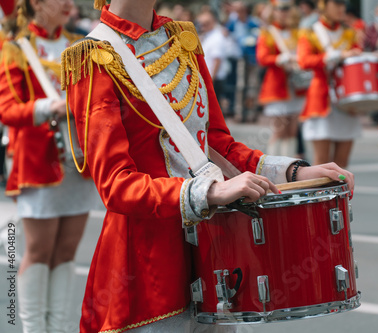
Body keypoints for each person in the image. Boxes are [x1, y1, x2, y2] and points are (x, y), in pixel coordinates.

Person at [62, 1, 354, 332]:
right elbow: (116, 186)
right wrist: (210, 191)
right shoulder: (93, 58)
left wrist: (295, 172)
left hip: (217, 253)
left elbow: (217, 145)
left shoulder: (181, 39)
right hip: (147, 269)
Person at [0, 0, 98, 332]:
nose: (69, 2)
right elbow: (8, 109)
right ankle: (32, 329)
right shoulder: (16, 47)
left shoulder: (79, 46)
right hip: (38, 160)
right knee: (39, 252)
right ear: (36, 3)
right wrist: (46, 108)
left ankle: (57, 328)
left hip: (78, 158)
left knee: (67, 251)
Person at [297, 0, 362, 167]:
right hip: (322, 98)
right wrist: (334, 56)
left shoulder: (349, 32)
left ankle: (340, 195)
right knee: (322, 163)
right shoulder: (311, 31)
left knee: (342, 164)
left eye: (343, 4)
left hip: (347, 98)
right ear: (323, 5)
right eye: (337, 4)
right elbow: (304, 60)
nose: (342, 8)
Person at [257, 0, 306, 158]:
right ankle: (274, 168)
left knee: (292, 130)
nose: (283, 13)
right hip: (278, 85)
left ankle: (290, 167)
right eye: (280, 9)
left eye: (287, 9)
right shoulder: (268, 33)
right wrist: (279, 59)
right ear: (274, 11)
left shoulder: (297, 32)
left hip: (295, 85)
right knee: (279, 130)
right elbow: (262, 57)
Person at [197, 10, 230, 106]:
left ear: (213, 22)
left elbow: (217, 60)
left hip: (213, 78)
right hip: (209, 78)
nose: (203, 26)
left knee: (212, 108)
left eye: (206, 23)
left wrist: (210, 80)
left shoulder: (217, 38)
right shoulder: (209, 36)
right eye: (201, 23)